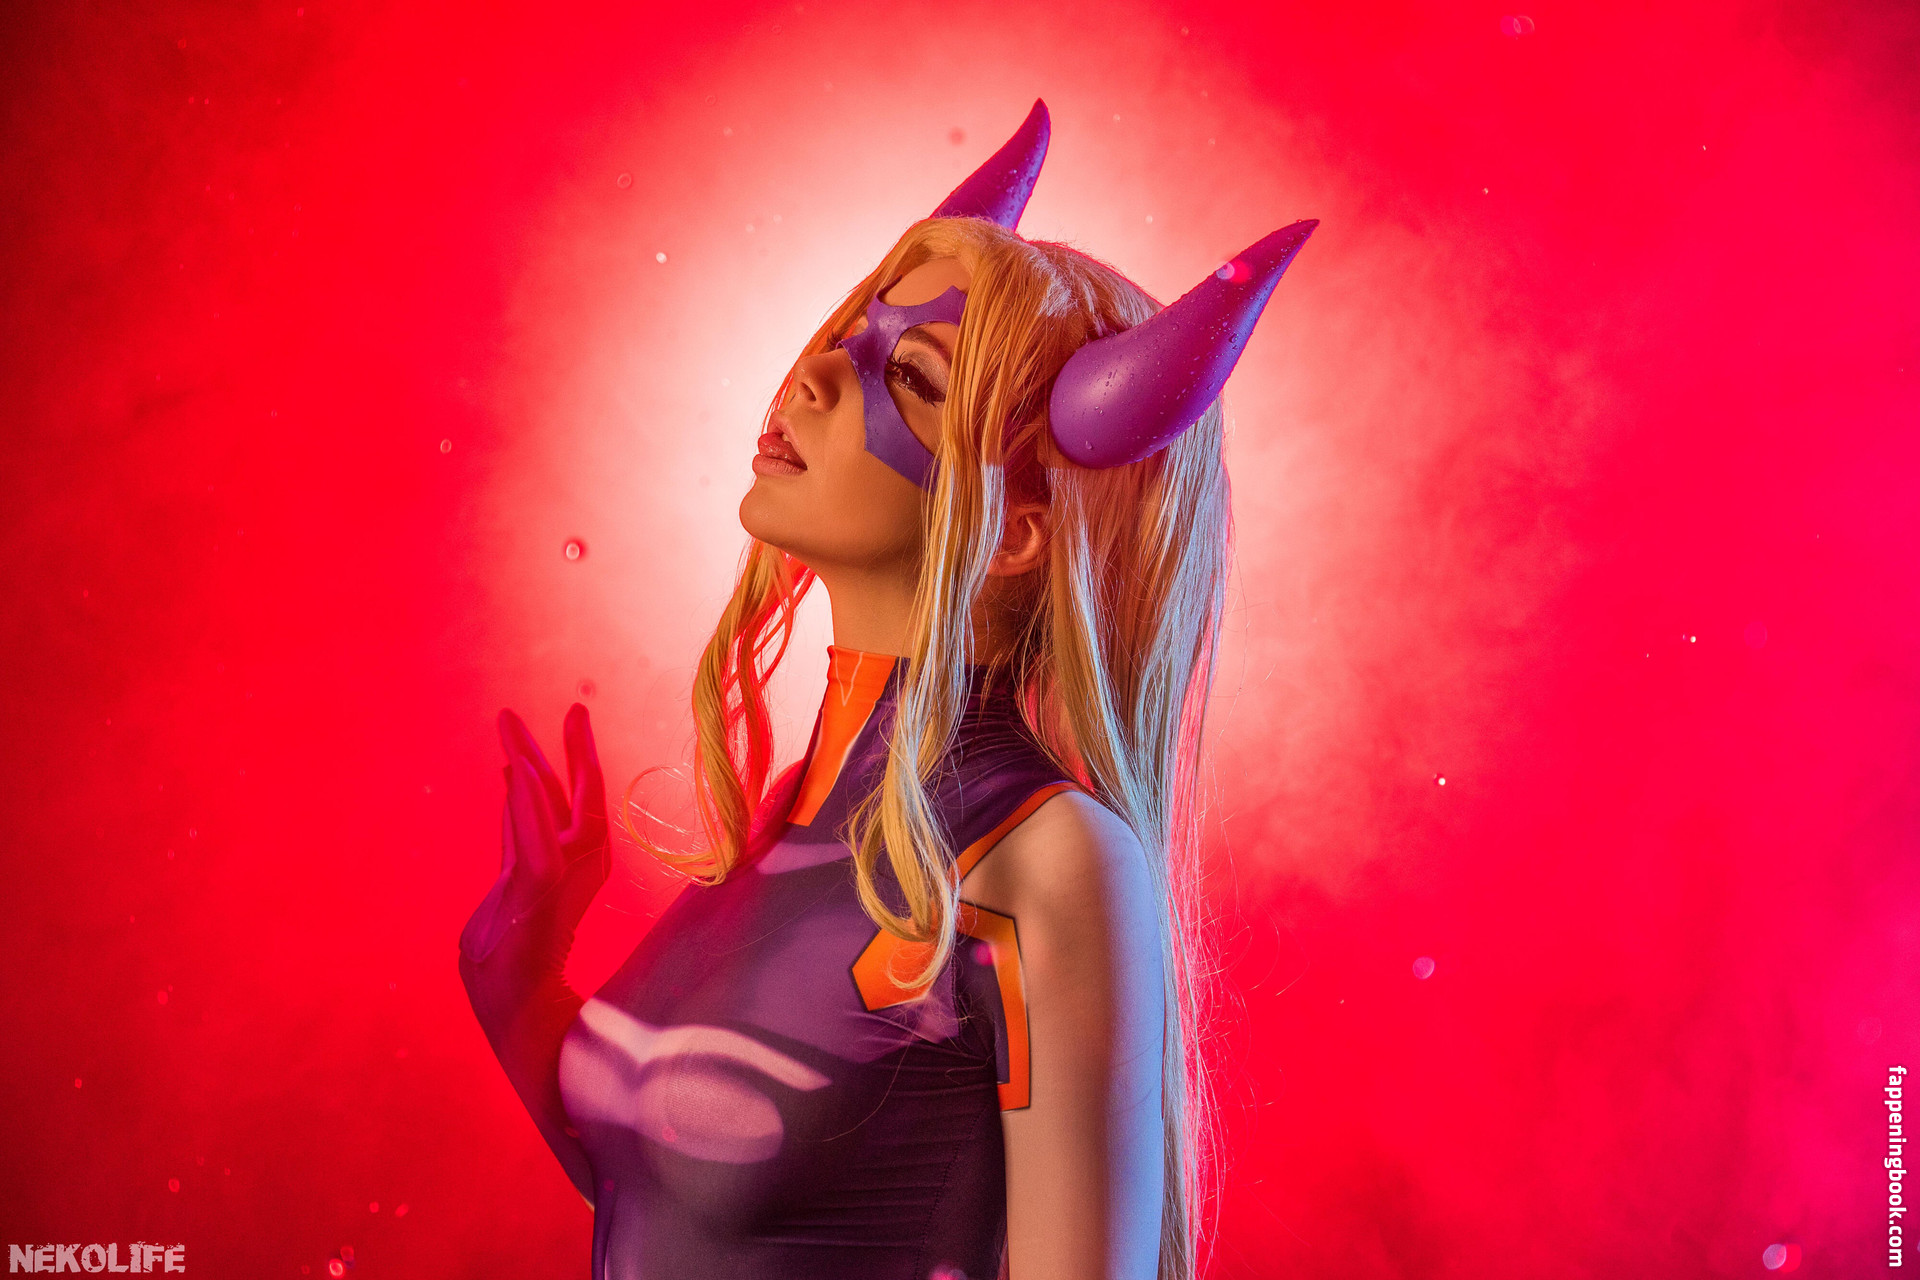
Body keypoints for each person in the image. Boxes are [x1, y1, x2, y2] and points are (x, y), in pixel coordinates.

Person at [459, 99, 1315, 1280]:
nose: (813, 373)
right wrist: (512, 972)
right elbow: (679, 1198)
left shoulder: (1040, 857)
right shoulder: (795, 820)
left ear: (1014, 533)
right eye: (850, 334)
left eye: (908, 374)